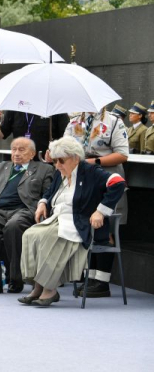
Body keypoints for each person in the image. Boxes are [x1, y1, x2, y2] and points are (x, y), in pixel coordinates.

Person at [19, 137, 125, 306]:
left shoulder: (90, 171)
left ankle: (49, 290)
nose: (57, 165)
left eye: (61, 160)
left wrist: (101, 211)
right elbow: (49, 192)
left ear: (75, 158)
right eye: (55, 161)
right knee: (30, 234)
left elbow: (118, 182)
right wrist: (42, 203)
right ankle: (37, 285)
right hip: (58, 218)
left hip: (79, 222)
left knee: (50, 237)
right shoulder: (61, 173)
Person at [60, 108, 128, 297]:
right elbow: (64, 149)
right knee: (85, 226)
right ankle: (89, 278)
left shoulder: (114, 122)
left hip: (106, 179)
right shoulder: (74, 123)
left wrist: (93, 161)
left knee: (105, 228)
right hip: (82, 181)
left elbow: (122, 155)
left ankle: (102, 282)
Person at [0, 137, 54, 294]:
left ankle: (15, 278)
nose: (16, 153)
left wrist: (43, 205)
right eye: (14, 149)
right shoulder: (0, 167)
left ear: (32, 154)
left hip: (25, 210)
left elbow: (48, 194)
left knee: (13, 226)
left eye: (21, 150)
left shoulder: (44, 169)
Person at [0, 109, 68, 159]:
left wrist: (55, 154)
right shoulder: (16, 107)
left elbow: (67, 139)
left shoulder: (56, 109)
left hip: (45, 163)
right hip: (20, 163)